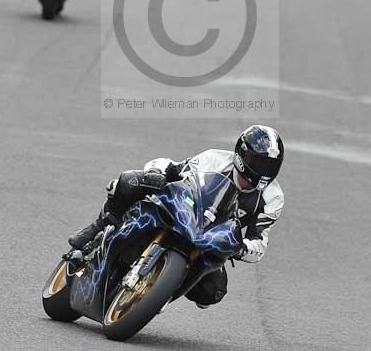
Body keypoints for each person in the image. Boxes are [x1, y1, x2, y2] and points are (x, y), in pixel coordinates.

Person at [67, 125, 285, 309]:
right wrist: (157, 174)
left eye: (270, 166)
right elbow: (171, 167)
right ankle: (99, 228)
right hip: (181, 212)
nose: (262, 171)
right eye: (259, 163)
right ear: (242, 154)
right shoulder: (213, 159)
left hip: (210, 240)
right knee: (129, 182)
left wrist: (241, 248)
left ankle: (155, 294)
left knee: (212, 292)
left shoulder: (272, 198)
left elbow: (259, 241)